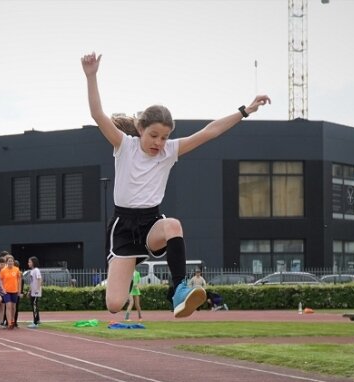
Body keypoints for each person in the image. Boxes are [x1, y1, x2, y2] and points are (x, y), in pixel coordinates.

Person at [81, 53, 270, 318]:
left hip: (150, 224)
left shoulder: (170, 151)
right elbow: (98, 114)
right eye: (154, 135)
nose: (159, 142)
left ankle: (179, 291)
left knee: (173, 225)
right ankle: (128, 262)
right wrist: (91, 75)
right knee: (114, 304)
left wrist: (245, 111)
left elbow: (209, 131)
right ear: (140, 128)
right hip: (123, 228)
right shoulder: (125, 145)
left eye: (165, 137)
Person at [0, 255, 21, 329]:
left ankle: (12, 320)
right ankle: (9, 323)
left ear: (13, 262)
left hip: (14, 291)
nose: (10, 262)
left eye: (11, 261)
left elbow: (19, 280)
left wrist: (19, 290)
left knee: (13, 307)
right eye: (9, 261)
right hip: (6, 291)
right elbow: (0, 280)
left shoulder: (16, 269)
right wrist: (2, 289)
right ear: (6, 262)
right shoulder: (3, 270)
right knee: (8, 306)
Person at [26, 256, 42, 328]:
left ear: (33, 263)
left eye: (29, 262)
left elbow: (39, 279)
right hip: (32, 291)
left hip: (36, 292)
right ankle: (37, 320)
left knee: (34, 306)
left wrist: (37, 290)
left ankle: (35, 323)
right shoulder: (32, 271)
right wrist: (29, 291)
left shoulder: (36, 270)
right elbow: (31, 282)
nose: (28, 263)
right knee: (33, 306)